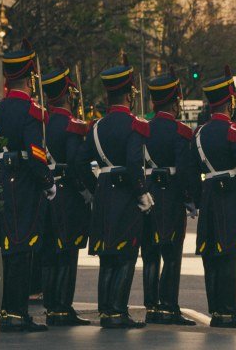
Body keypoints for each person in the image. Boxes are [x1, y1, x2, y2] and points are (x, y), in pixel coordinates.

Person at [0, 40, 55, 332]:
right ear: (31, 78)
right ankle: (17, 313)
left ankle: (5, 311)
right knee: (21, 249)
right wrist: (47, 182)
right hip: (22, 185)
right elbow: (36, 153)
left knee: (5, 250)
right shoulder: (32, 111)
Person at [81, 58, 153, 329]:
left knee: (107, 255)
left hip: (103, 192)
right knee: (126, 253)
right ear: (129, 94)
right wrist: (141, 194)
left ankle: (105, 311)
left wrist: (92, 187)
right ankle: (117, 311)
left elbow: (79, 162)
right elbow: (135, 163)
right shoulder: (135, 125)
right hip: (125, 193)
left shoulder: (96, 127)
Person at [195, 66, 236, 328]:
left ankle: (216, 311)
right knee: (229, 253)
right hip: (230, 196)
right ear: (230, 101)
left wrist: (193, 198)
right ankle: (228, 311)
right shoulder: (235, 130)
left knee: (210, 255)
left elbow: (191, 169)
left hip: (209, 195)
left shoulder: (199, 133)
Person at [141, 70, 200, 326]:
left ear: (154, 101)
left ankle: (152, 307)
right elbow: (185, 170)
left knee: (150, 254)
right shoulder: (181, 132)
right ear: (175, 101)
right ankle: (168, 307)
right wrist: (191, 198)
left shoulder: (142, 128)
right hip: (171, 197)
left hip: (146, 196)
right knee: (172, 255)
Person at [39, 66, 93, 326]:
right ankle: (62, 307)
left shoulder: (40, 122)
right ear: (69, 95)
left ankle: (51, 306)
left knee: (50, 252)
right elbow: (75, 163)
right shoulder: (72, 125)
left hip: (44, 193)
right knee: (68, 251)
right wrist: (86, 190)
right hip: (67, 195)